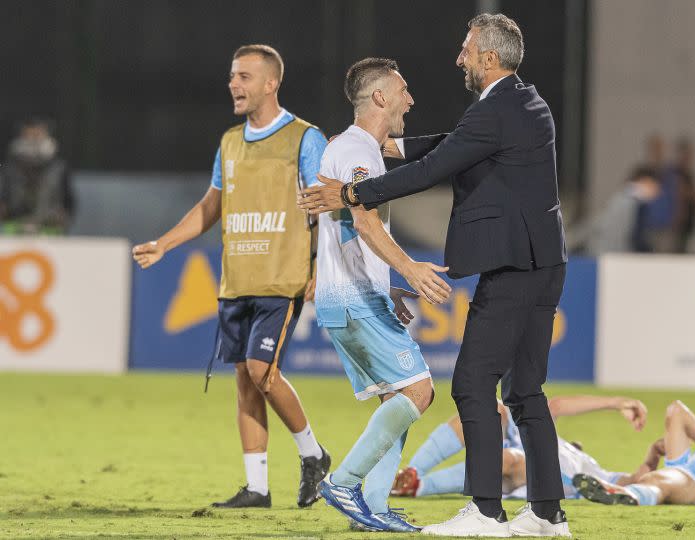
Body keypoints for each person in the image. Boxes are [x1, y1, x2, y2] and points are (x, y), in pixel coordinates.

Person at [298, 13, 570, 537]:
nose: (459, 59)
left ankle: (486, 511)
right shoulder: (523, 103)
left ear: (488, 58)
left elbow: (438, 166)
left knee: (469, 385)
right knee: (525, 391)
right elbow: (451, 144)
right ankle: (546, 514)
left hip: (514, 270)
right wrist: (389, 147)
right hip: (543, 264)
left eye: (466, 51)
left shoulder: (496, 110)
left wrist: (353, 193)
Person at [131, 44, 331, 509]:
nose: (233, 85)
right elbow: (210, 207)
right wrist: (165, 243)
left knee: (263, 371)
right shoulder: (229, 142)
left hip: (282, 279)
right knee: (244, 378)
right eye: (231, 76)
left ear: (270, 83)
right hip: (236, 279)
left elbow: (327, 203)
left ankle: (312, 453)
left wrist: (320, 265)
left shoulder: (305, 138)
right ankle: (257, 488)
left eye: (244, 77)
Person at [311, 57, 451, 533]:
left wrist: (383, 283)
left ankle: (370, 507)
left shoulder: (352, 148)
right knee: (419, 391)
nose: (411, 100)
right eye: (404, 90)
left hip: (349, 294)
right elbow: (364, 218)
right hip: (352, 298)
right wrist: (409, 267)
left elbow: (346, 230)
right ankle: (345, 484)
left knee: (397, 398)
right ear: (381, 97)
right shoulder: (358, 153)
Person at [390, 395, 649, 500]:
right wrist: (616, 402)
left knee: (508, 458)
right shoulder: (554, 439)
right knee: (489, 408)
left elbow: (634, 482)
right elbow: (555, 406)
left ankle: (419, 487)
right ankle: (412, 471)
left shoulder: (593, 470)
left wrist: (654, 456)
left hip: (534, 471)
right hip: (517, 446)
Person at [0, 117, 74, 234]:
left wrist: (64, 216)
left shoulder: (59, 168)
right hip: (14, 227)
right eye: (29, 133)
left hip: (49, 228)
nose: (33, 138)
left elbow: (68, 200)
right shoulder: (10, 167)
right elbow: (4, 196)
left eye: (37, 133)